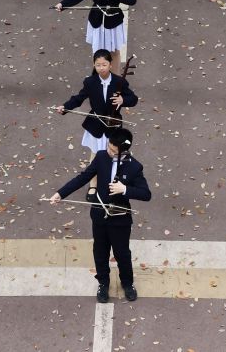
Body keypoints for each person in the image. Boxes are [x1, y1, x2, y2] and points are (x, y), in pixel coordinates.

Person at [49, 128, 150, 303]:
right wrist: (61, 193)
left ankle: (127, 283)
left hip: (120, 218)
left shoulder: (134, 167)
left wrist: (125, 189)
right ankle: (103, 283)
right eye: (109, 147)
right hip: (99, 215)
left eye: (113, 151)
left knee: (122, 253)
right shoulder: (102, 157)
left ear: (124, 151)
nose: (109, 152)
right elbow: (83, 178)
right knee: (100, 252)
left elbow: (146, 194)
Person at [57, 49, 139, 155]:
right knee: (97, 156)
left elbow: (134, 99)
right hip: (96, 123)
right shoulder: (90, 82)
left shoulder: (119, 81)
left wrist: (123, 100)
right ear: (94, 65)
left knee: (112, 154)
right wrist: (65, 107)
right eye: (98, 65)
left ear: (110, 65)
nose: (101, 68)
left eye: (104, 65)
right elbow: (78, 99)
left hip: (113, 124)